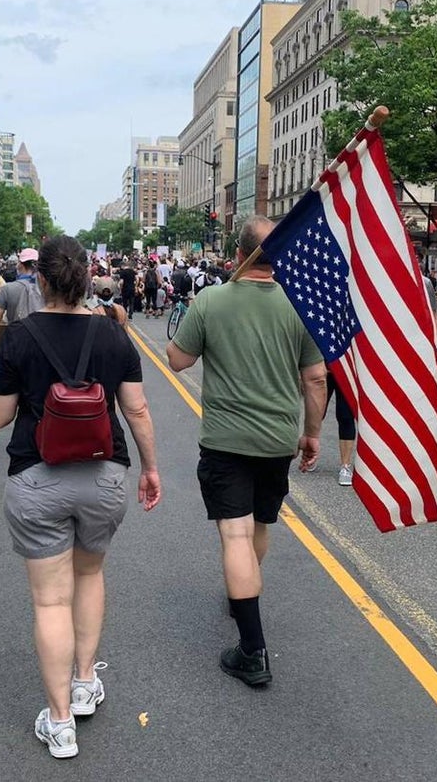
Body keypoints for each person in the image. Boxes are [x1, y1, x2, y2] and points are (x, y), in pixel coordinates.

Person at [0, 235, 160, 760]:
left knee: (50, 600)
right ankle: (84, 683)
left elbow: (0, 415)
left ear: (41, 280)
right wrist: (150, 468)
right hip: (103, 474)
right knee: (90, 575)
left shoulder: (18, 337)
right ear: (86, 279)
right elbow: (137, 410)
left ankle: (59, 724)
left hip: (37, 476)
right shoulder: (113, 333)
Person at [166, 216, 327, 687]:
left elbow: (176, 361)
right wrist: (311, 433)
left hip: (227, 439)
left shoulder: (211, 300)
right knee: (259, 525)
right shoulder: (299, 304)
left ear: (239, 254)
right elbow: (315, 379)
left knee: (234, 535)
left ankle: (252, 650)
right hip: (278, 440)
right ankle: (244, 592)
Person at [0, 248, 44, 460]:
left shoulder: (8, 289)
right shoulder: (46, 289)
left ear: (20, 264)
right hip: (40, 351)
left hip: (13, 349)